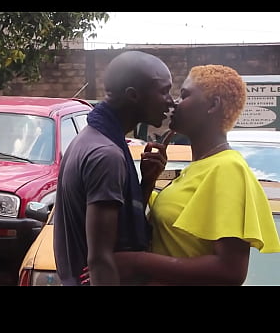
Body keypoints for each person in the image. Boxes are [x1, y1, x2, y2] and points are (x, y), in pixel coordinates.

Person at [81, 64, 280, 286]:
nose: (174, 102)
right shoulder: (196, 168)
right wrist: (147, 183)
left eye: (184, 95)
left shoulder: (228, 169)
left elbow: (231, 270)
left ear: (213, 105)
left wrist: (136, 262)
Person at [53, 50, 176, 286]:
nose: (170, 100)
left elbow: (115, 227)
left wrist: (147, 183)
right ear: (133, 95)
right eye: (164, 90)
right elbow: (100, 259)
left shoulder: (91, 139)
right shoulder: (106, 155)